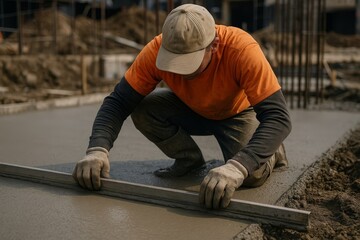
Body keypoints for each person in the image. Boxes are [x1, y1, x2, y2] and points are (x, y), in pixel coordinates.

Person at [72, 3, 291, 210]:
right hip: (190, 107)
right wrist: (97, 150)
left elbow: (278, 117)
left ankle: (273, 152)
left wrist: (238, 166)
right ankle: (189, 161)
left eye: (189, 63)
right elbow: (118, 102)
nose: (179, 73)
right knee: (143, 108)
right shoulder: (155, 50)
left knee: (250, 175)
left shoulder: (241, 49)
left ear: (214, 45)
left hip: (236, 113)